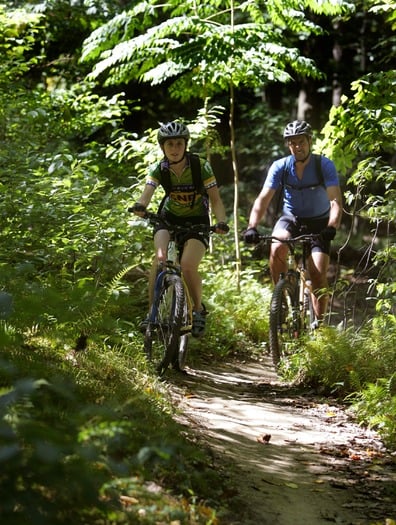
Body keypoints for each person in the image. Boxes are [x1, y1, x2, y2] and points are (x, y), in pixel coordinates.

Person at [130, 121, 229, 337]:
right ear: (163, 147)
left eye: (178, 144)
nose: (174, 149)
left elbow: (216, 200)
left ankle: (198, 309)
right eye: (170, 145)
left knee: (187, 265)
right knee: (160, 259)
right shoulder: (159, 168)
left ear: (185, 145)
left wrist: (221, 222)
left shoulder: (200, 166)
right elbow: (147, 193)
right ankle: (152, 315)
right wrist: (141, 206)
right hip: (168, 218)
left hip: (197, 221)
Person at [243, 120, 342, 322]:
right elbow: (263, 199)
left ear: (309, 141)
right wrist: (252, 226)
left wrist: (332, 226)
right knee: (277, 245)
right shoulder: (281, 166)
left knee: (317, 273)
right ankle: (280, 300)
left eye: (301, 142)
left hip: (320, 222)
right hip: (291, 218)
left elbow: (335, 201)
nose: (297, 147)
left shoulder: (324, 165)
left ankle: (320, 324)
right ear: (288, 145)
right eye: (293, 143)